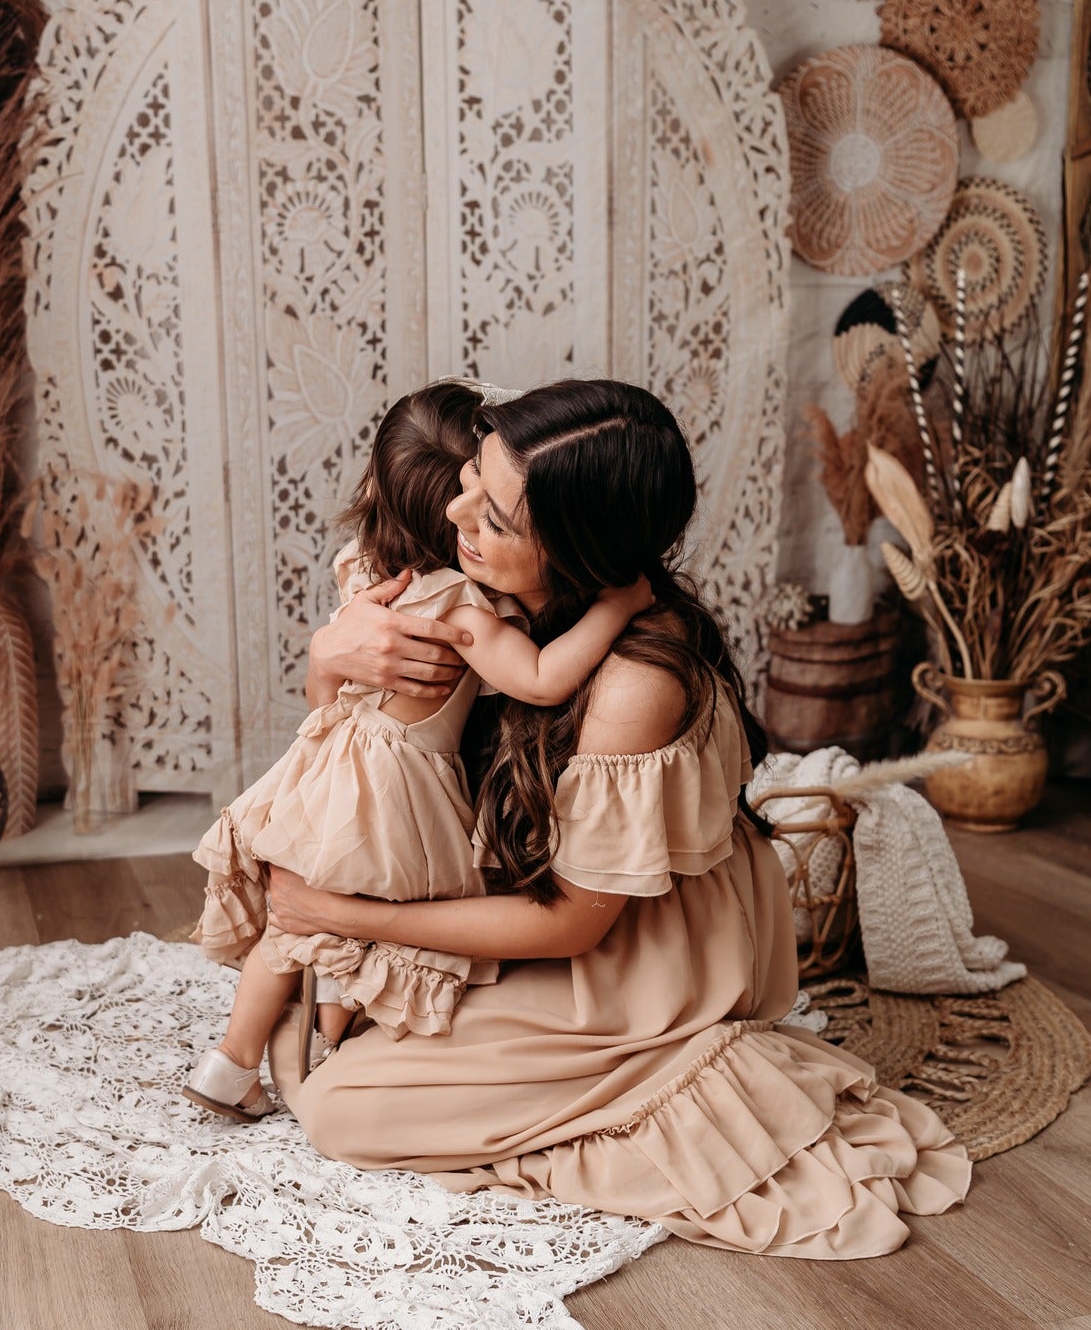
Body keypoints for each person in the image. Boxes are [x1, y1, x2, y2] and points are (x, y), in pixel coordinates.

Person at [262, 378, 971, 1257]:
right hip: (535, 900)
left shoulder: (636, 680)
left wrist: (342, 915)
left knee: (336, 1107)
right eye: (474, 478)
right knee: (345, 1008)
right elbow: (355, 757)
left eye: (496, 516)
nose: (457, 509)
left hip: (632, 964)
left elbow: (572, 924)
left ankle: (651, 1087)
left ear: (578, 549)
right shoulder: (508, 603)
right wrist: (327, 661)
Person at [183, 379, 653, 1123]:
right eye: (468, 489)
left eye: (490, 504)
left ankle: (240, 1057)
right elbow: (540, 679)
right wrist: (619, 605)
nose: (473, 511)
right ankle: (300, 1048)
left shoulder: (364, 569)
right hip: (394, 786)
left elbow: (334, 712)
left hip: (325, 771)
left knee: (301, 923)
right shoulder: (461, 607)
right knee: (329, 917)